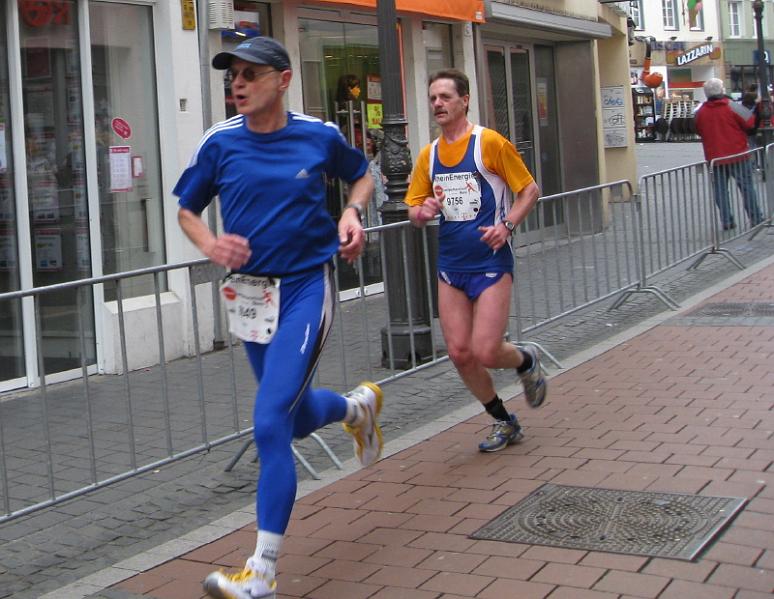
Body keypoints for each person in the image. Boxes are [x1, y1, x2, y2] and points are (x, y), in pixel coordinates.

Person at [173, 36, 382, 599]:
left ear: (283, 79)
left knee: (270, 422)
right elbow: (186, 211)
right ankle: (355, 408)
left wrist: (352, 213)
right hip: (249, 297)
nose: (237, 84)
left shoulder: (318, 135)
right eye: (232, 76)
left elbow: (361, 173)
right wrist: (212, 245)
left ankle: (261, 571)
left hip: (307, 288)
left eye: (250, 74)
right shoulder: (220, 143)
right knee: (286, 417)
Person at [404, 68, 547, 453]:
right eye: (433, 98)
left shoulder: (490, 144)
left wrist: (507, 225)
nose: (437, 104)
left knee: (486, 349)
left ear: (464, 100)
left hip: (490, 262)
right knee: (459, 353)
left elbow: (529, 189)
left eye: (445, 97)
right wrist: (423, 211)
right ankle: (504, 420)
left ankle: (524, 360)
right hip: (451, 266)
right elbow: (414, 212)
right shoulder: (429, 155)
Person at [695, 78, 763, 230]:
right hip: (737, 154)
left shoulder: (701, 112)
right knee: (746, 187)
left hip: (715, 157)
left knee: (720, 190)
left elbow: (698, 130)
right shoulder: (732, 106)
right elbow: (751, 123)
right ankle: (755, 217)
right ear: (722, 90)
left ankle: (727, 221)